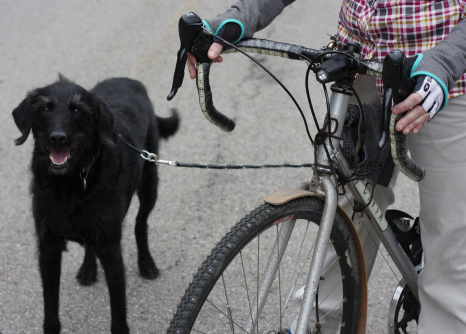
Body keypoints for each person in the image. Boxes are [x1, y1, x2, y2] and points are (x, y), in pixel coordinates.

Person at [185, 1, 466, 333]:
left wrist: (448, 60)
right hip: (362, 60)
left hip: (442, 75)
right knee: (346, 211)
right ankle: (324, 324)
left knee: (451, 253)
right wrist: (240, 17)